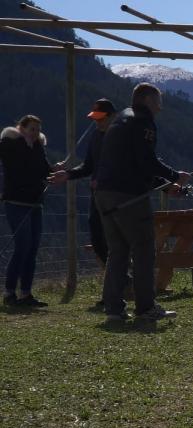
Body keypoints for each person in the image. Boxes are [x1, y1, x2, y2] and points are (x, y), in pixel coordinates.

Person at [94, 83, 190, 323]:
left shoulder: (122, 119)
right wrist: (174, 175)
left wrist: (167, 186)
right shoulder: (143, 122)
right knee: (144, 248)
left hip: (105, 194)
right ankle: (145, 307)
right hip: (128, 196)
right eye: (158, 101)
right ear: (147, 100)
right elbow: (146, 161)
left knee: (117, 251)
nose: (160, 108)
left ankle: (114, 309)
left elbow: (133, 163)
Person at [51, 99, 119, 310]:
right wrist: (68, 174)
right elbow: (88, 166)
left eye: (100, 119)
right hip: (97, 195)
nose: (97, 123)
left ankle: (116, 290)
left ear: (111, 116)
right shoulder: (97, 136)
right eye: (95, 119)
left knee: (116, 243)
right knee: (98, 240)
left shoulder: (121, 137)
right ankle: (117, 285)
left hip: (117, 197)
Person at [1, 115, 66, 307]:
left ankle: (25, 293)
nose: (35, 133)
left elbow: (44, 170)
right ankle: (10, 292)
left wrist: (55, 169)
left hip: (35, 202)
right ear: (21, 128)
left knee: (32, 248)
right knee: (22, 246)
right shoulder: (9, 144)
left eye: (37, 129)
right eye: (32, 129)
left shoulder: (37, 147)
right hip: (15, 201)